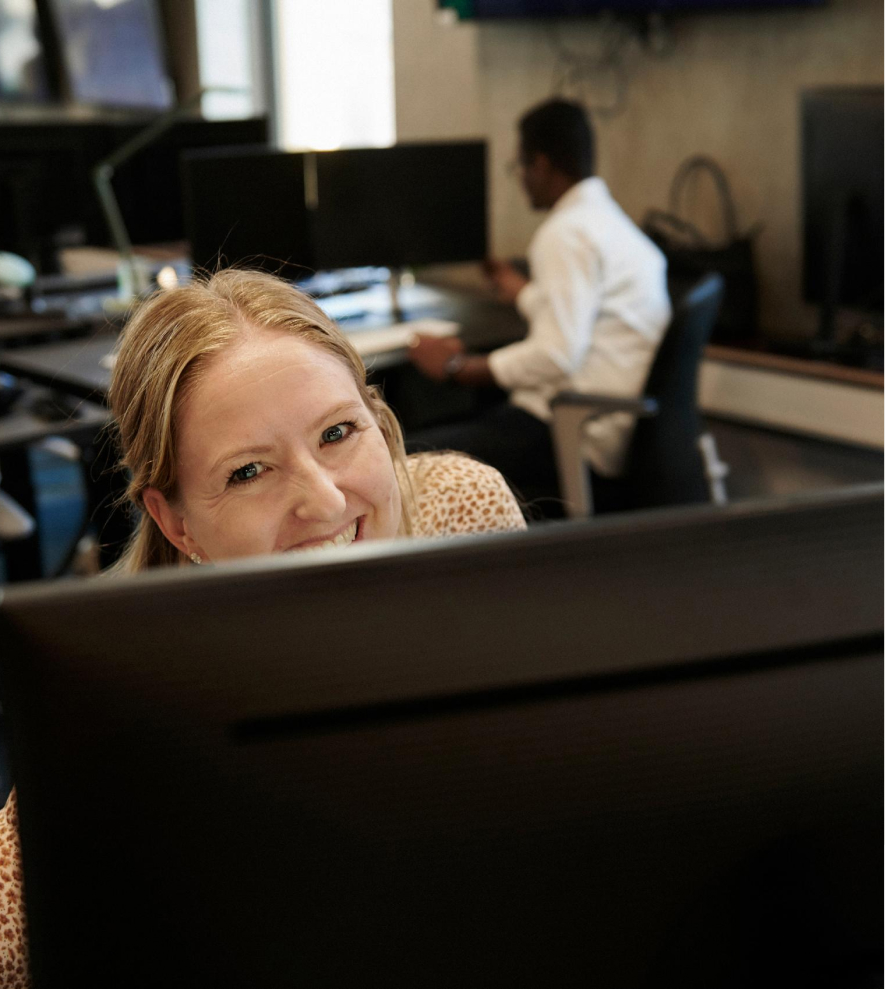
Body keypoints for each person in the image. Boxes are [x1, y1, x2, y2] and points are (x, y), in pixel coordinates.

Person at [0, 268, 526, 987]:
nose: (324, 501)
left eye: (337, 432)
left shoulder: (462, 514)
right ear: (176, 522)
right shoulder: (124, 681)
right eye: (249, 472)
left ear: (378, 421)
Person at [408, 97, 672, 515]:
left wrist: (457, 368)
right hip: (611, 427)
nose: (522, 179)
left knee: (409, 457)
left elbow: (556, 354)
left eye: (521, 166)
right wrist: (525, 294)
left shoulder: (564, 233)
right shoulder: (612, 225)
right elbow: (588, 317)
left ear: (542, 165)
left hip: (570, 436)